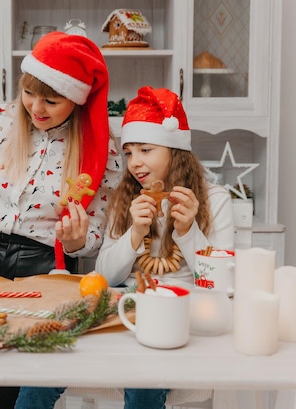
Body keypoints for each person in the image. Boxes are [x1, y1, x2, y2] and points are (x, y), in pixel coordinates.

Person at [0, 31, 122, 409]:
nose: (36, 107)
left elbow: (100, 234)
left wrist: (77, 241)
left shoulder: (99, 145)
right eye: (29, 93)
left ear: (75, 99)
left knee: (22, 380)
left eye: (52, 100)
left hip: (48, 268)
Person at [96, 86, 234, 409]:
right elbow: (103, 275)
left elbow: (223, 284)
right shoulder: (124, 199)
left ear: (175, 150)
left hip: (185, 315)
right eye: (129, 152)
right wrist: (134, 235)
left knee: (146, 370)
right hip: (128, 311)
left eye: (145, 149)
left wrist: (188, 232)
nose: (134, 163)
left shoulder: (215, 201)